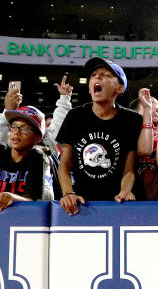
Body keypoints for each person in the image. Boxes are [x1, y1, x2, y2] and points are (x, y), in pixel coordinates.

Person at [56, 58, 142, 215]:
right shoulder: (75, 116)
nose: (97, 77)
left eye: (106, 75)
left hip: (118, 204)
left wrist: (125, 191)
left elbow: (129, 168)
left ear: (120, 88)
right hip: (82, 204)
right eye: (94, 75)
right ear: (89, 88)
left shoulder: (132, 120)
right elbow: (64, 164)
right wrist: (68, 193)